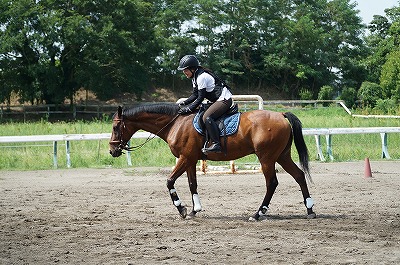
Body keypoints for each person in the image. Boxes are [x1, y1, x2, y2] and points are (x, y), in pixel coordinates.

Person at [177, 54, 233, 154]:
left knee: (207, 117)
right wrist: (184, 103)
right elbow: (194, 95)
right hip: (216, 100)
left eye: (185, 70)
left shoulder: (201, 77)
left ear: (192, 69)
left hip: (224, 100)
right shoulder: (195, 77)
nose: (184, 72)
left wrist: (188, 109)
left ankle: (216, 144)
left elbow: (200, 98)